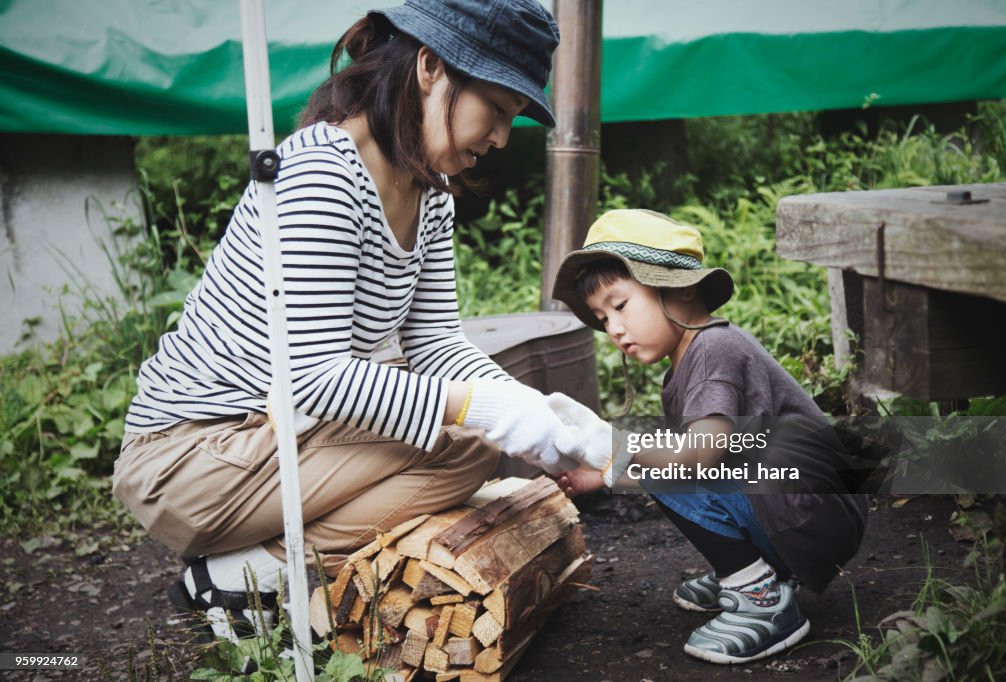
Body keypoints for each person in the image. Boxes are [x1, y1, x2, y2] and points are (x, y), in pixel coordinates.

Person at [112, 0, 598, 647]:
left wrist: (530, 406)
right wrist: (490, 410)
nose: (503, 137)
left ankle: (252, 563)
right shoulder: (320, 173)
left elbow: (433, 342)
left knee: (471, 432)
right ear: (430, 66)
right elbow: (313, 377)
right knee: (469, 432)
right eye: (500, 108)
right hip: (192, 457)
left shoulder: (429, 193)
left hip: (277, 432)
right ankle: (253, 570)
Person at [549, 209, 869, 664]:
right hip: (811, 511)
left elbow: (698, 459)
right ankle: (760, 568)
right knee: (661, 457)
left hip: (814, 514)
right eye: (602, 318)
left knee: (668, 461)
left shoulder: (712, 351)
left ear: (678, 286)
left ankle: (761, 598)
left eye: (619, 305)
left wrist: (611, 445)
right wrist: (600, 475)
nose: (613, 329)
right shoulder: (693, 358)